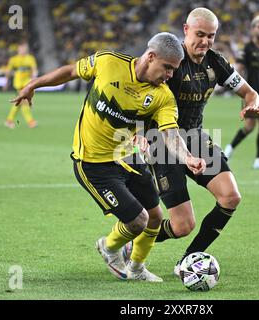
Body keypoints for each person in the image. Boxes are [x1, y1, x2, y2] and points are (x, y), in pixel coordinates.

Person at [11, 32, 206, 282]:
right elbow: (70, 71)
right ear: (150, 56)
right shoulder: (107, 62)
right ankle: (109, 247)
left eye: (174, 70)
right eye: (167, 68)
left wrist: (188, 157)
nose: (170, 75)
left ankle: (137, 268)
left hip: (127, 157)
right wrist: (32, 84)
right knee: (139, 221)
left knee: (156, 218)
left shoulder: (163, 96)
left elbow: (170, 133)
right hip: (93, 163)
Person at [146, 8, 259, 276]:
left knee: (231, 197)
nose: (205, 41)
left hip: (196, 138)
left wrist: (251, 106)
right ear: (186, 30)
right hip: (162, 143)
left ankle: (188, 261)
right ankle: (131, 240)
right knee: (182, 226)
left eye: (211, 36)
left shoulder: (215, 62)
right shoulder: (171, 61)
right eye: (200, 34)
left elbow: (250, 93)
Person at [224, 15, 259, 169]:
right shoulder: (247, 49)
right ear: (253, 29)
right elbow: (239, 69)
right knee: (249, 127)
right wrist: (235, 89)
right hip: (250, 94)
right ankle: (229, 148)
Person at [3, 42, 38, 129]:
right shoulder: (14, 59)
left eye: (25, 48)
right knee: (23, 102)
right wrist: (6, 82)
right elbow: (8, 71)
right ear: (18, 49)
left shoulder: (30, 58)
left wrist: (34, 78)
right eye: (22, 48)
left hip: (27, 83)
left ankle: (9, 120)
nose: (23, 50)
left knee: (19, 102)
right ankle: (31, 122)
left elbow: (34, 69)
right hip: (18, 83)